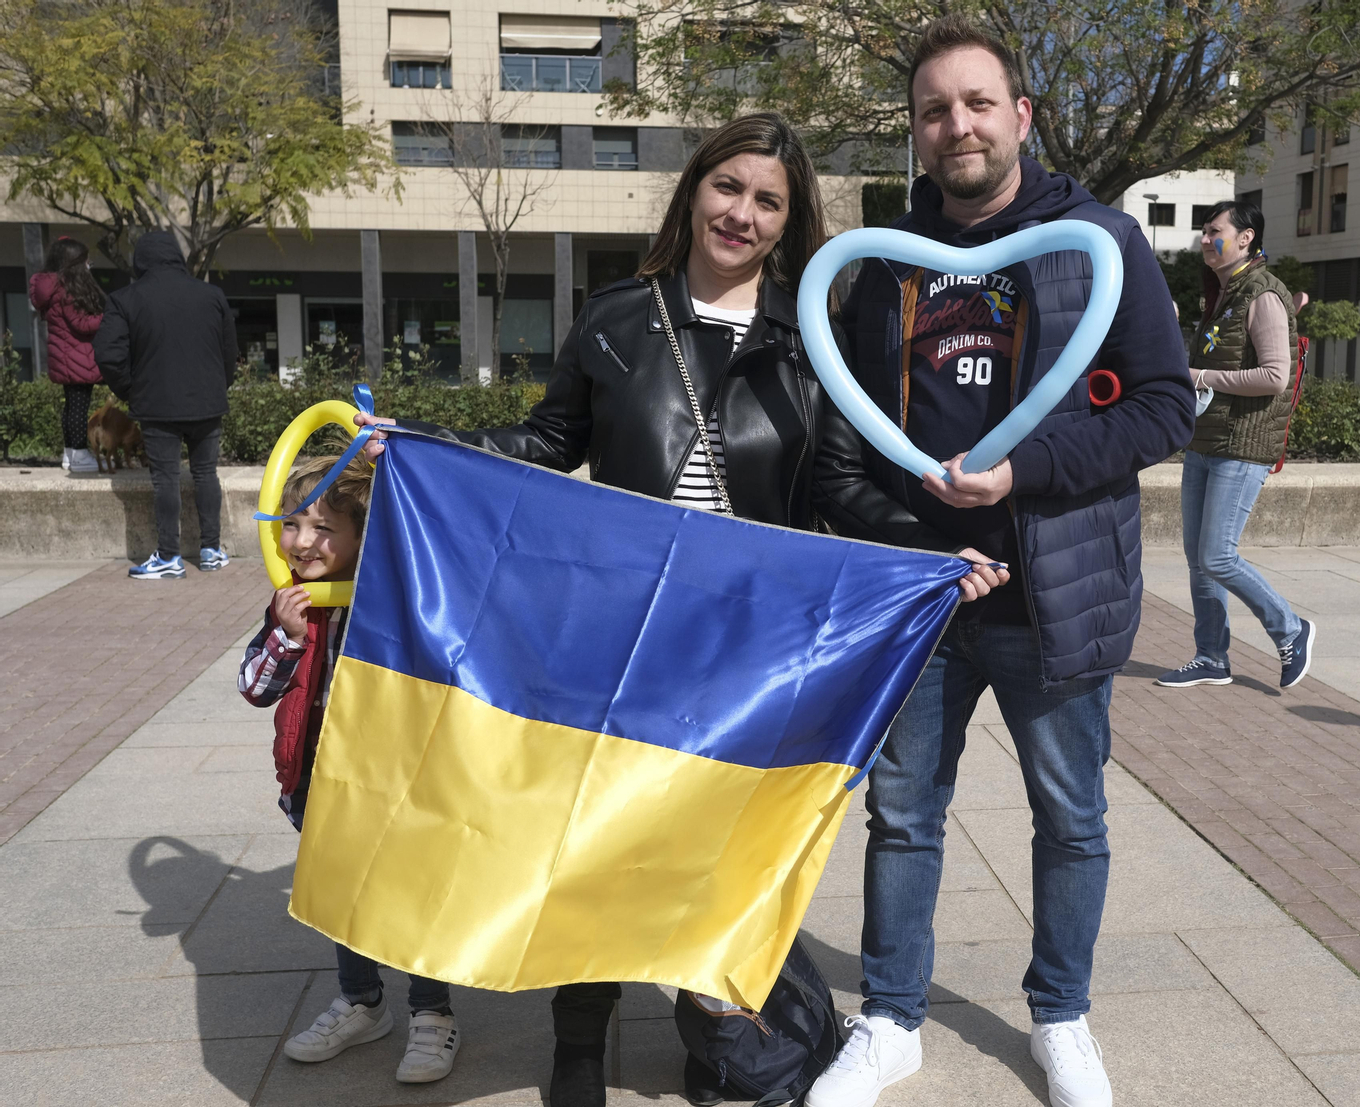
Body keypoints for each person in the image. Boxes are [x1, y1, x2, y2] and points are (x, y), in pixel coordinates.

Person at [355, 112, 1007, 1107]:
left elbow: (836, 484)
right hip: (618, 631)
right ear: (694, 189)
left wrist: (930, 549)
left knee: (716, 843)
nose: (741, 214)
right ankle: (579, 1039)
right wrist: (428, 443)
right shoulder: (618, 317)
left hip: (747, 641)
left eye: (767, 202)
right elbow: (547, 444)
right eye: (728, 188)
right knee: (585, 836)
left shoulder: (808, 340)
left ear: (788, 224)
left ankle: (716, 1039)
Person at [808, 16, 1195, 1107]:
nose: (956, 125)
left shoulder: (1099, 241)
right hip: (924, 598)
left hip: (1055, 590)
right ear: (916, 132)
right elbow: (854, 438)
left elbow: (1163, 410)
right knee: (903, 814)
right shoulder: (881, 265)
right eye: (934, 109)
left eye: (977, 103)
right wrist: (915, 538)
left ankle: (1060, 1015)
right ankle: (890, 1019)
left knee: (1071, 815)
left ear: (1021, 115)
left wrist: (1017, 476)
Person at [238, 455, 461, 1084]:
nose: (303, 541)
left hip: (393, 782)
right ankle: (362, 1002)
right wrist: (285, 636)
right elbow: (253, 688)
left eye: (324, 527)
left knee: (410, 892)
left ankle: (432, 1013)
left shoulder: (391, 600)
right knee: (339, 893)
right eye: (292, 524)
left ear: (364, 537)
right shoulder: (292, 606)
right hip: (315, 781)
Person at [1156, 199, 1315, 691]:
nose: (1206, 239)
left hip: (1242, 443)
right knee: (1196, 555)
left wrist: (1196, 375)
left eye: (1214, 230)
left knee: (1218, 556)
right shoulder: (1225, 293)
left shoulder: (1263, 293)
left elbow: (1274, 376)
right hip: (1206, 438)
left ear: (1246, 238)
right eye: (1204, 231)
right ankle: (1211, 657)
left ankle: (1290, 629)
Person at [93, 230, 237, 579]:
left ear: (140, 259)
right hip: (207, 401)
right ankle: (211, 550)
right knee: (206, 474)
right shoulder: (211, 295)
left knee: (165, 479)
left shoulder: (125, 299)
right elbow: (229, 351)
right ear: (176, 255)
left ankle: (170, 557)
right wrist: (219, 385)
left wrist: (132, 391)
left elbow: (108, 355)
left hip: (156, 406)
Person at [28, 237, 105, 474]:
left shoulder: (51, 287)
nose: (88, 264)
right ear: (73, 263)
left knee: (71, 407)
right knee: (79, 407)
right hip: (78, 357)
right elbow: (81, 324)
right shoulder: (66, 289)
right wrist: (107, 318)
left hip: (64, 356)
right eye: (84, 260)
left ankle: (71, 453)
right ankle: (80, 454)